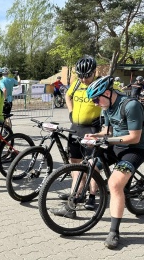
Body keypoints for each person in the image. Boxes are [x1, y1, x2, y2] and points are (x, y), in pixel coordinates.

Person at [84, 76, 144, 249]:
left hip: (135, 149)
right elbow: (107, 130)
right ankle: (91, 198)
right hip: (116, 145)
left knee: (114, 184)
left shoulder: (130, 105)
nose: (96, 103)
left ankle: (114, 232)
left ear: (106, 93)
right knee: (91, 165)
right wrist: (95, 136)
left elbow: (135, 137)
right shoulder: (106, 106)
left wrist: (110, 141)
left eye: (97, 99)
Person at [53, 55, 102, 213]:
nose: (83, 79)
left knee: (92, 165)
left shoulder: (100, 84)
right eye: (80, 75)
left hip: (92, 129)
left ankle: (92, 196)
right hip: (76, 128)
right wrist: (71, 111)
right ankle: (76, 193)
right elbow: (67, 95)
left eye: (86, 75)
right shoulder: (76, 84)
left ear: (94, 72)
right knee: (75, 163)